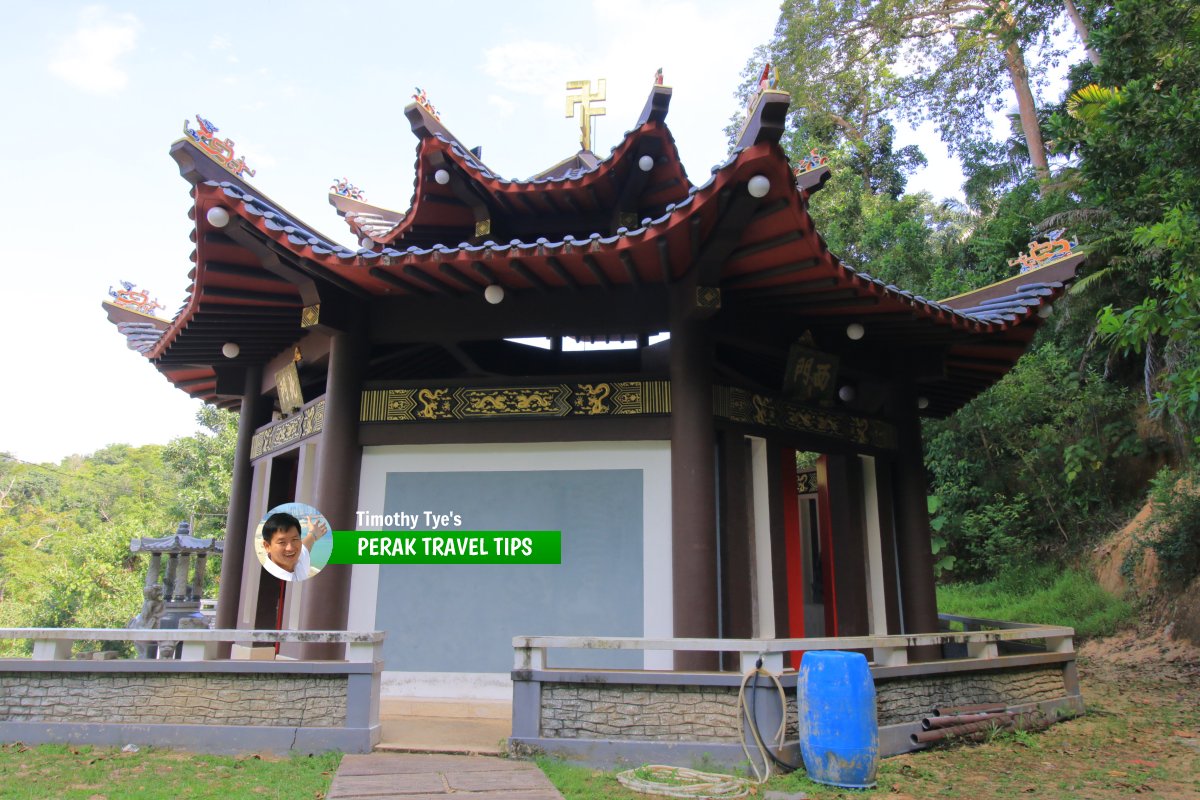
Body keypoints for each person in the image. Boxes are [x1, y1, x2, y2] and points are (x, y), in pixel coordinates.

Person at [260, 511, 327, 582]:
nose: (290, 548)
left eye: (294, 539)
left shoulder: (299, 558)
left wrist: (313, 534)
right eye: (282, 542)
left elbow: (306, 545)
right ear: (267, 546)